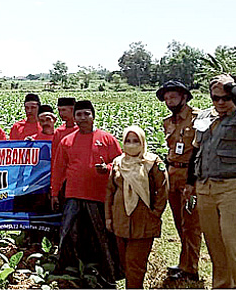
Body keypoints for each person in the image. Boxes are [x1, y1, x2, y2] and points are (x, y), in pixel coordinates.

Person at [186, 74, 236, 289]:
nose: (220, 102)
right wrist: (190, 182)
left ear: (234, 96)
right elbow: (195, 151)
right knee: (216, 246)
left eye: (226, 97)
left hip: (233, 188)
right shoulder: (204, 118)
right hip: (205, 188)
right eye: (215, 98)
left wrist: (231, 86)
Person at [50, 100, 123, 286]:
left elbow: (121, 163)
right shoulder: (67, 141)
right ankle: (69, 270)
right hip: (74, 195)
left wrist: (106, 168)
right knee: (69, 234)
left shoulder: (107, 139)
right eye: (79, 115)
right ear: (74, 118)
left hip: (98, 196)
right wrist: (54, 193)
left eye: (86, 114)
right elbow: (58, 169)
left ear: (93, 116)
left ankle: (105, 273)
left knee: (100, 237)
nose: (82, 118)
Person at [105, 126, 168, 289]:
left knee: (135, 264)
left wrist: (155, 214)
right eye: (128, 141)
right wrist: (108, 217)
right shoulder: (118, 162)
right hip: (121, 220)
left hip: (144, 220)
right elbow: (110, 191)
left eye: (136, 141)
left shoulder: (153, 163)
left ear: (143, 142)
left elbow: (162, 190)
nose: (132, 145)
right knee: (125, 263)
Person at [156, 80, 201, 281]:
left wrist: (193, 180)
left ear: (184, 97)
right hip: (172, 174)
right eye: (166, 98)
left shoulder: (198, 119)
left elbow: (200, 152)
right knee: (178, 221)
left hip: (189, 176)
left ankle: (191, 269)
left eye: (172, 96)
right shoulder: (168, 122)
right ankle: (184, 262)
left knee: (190, 224)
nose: (169, 101)